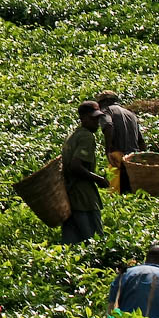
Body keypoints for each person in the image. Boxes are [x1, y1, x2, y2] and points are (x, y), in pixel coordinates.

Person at [61, 100, 110, 244]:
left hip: (70, 195)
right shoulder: (87, 137)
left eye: (98, 118)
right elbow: (76, 166)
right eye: (93, 118)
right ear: (83, 119)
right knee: (94, 240)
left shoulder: (73, 136)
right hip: (84, 197)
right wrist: (99, 179)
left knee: (71, 243)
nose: (97, 122)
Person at [97, 90, 146, 194]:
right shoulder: (131, 114)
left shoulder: (106, 111)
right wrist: (143, 159)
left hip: (118, 157)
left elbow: (108, 125)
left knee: (116, 193)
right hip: (133, 157)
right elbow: (141, 140)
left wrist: (108, 151)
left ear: (102, 103)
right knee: (132, 192)